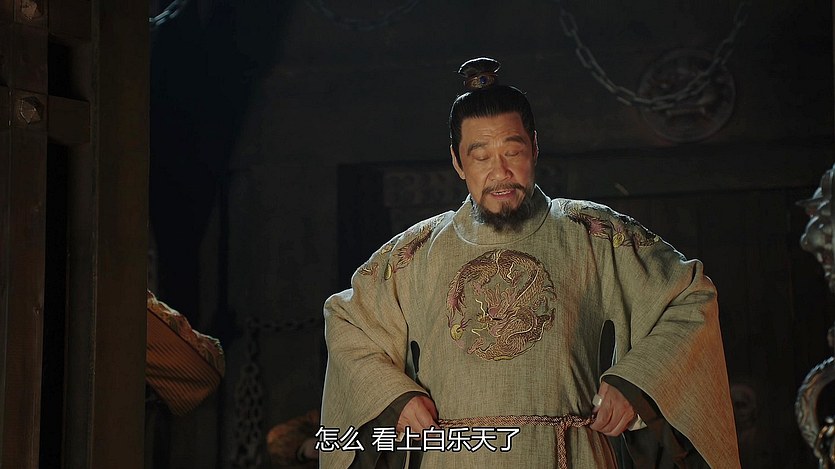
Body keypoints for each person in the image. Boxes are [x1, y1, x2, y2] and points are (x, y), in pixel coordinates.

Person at [320, 57, 739, 468]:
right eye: (481, 157)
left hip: (570, 454)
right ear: (457, 162)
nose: (500, 172)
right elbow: (346, 319)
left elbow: (690, 295)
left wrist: (635, 382)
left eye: (512, 151)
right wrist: (397, 397)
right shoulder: (417, 253)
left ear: (534, 148)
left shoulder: (592, 233)